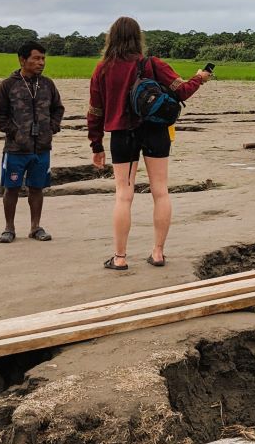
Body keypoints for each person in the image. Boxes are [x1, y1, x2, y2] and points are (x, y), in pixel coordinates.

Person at [87, 16, 211, 270]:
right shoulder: (153, 64)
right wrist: (200, 77)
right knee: (160, 190)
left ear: (112, 37)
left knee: (123, 195)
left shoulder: (102, 69)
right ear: (138, 37)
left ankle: (120, 258)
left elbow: (95, 111)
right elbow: (183, 90)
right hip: (156, 131)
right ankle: (157, 253)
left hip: (122, 134)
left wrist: (96, 145)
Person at [0, 41, 64, 244]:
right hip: (15, 149)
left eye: (43, 58)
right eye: (36, 58)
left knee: (37, 187)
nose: (41, 63)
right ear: (23, 60)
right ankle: (9, 228)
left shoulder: (47, 84)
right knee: (11, 187)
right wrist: (15, 133)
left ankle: (35, 227)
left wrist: (52, 128)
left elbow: (58, 108)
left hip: (41, 147)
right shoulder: (8, 85)